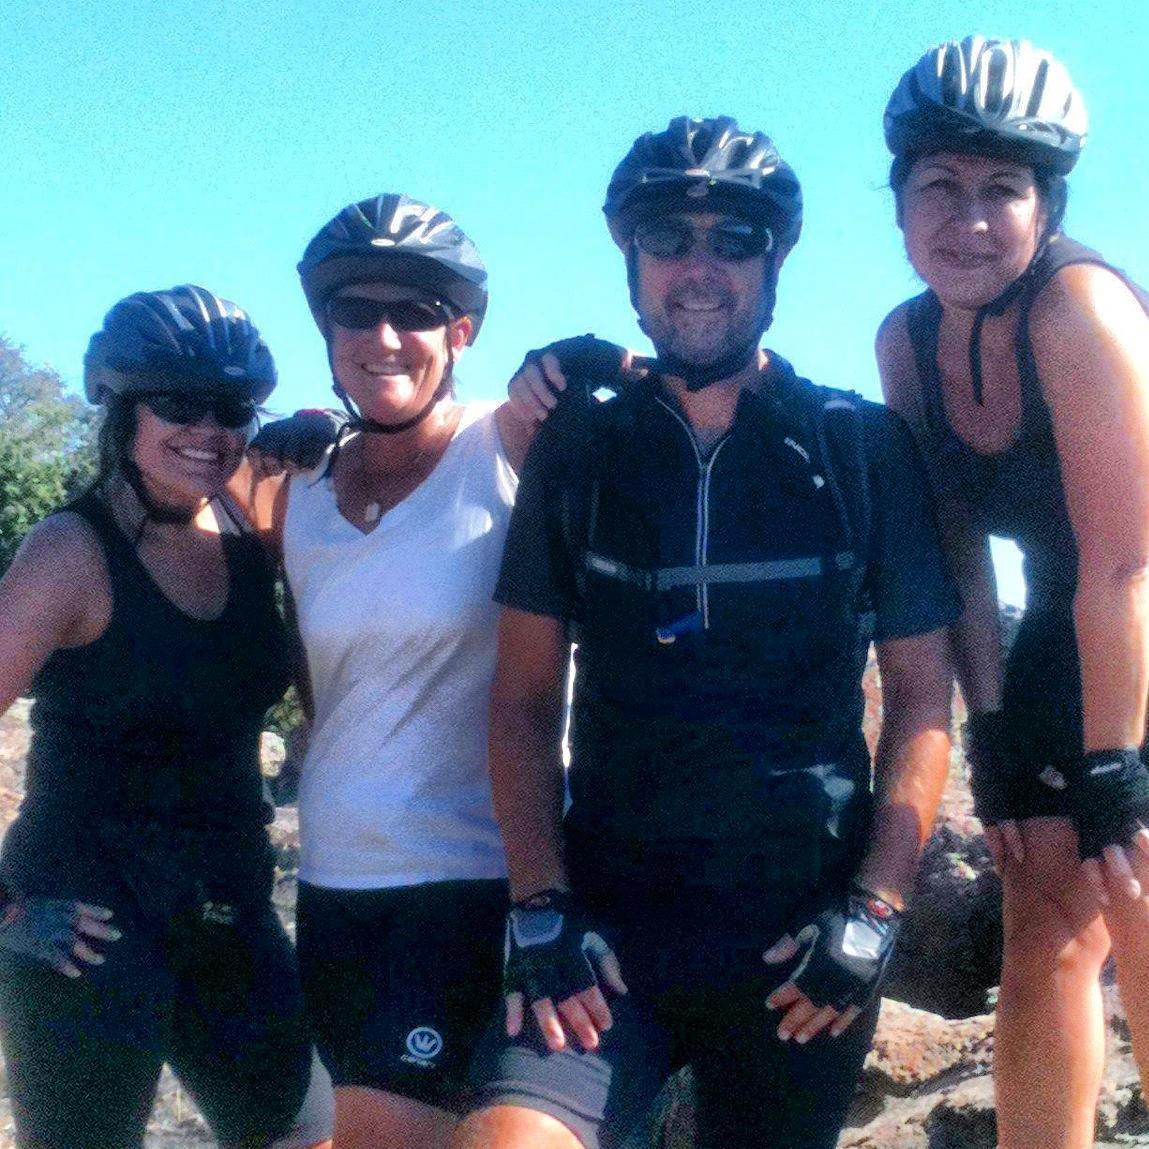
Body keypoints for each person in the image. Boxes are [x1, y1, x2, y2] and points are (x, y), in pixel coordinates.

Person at [454, 115, 959, 1149]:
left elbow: (919, 699)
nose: (699, 267)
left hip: (796, 944)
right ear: (628, 257)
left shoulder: (860, 446)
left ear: (778, 259)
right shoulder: (581, 447)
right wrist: (541, 908)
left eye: (735, 239)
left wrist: (874, 910)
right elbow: (518, 699)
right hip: (608, 932)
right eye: (667, 238)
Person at [877, 36, 1149, 1149]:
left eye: (1003, 190)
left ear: (1049, 206)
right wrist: (989, 736)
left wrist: (1115, 768)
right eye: (939, 186)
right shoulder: (906, 340)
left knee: (1137, 901)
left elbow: (1126, 565)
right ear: (898, 205)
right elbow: (957, 564)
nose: (969, 218)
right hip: (1058, 614)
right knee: (1042, 918)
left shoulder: (1078, 312)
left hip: (1135, 601)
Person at [240, 193, 554, 1149]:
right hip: (335, 886)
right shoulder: (286, 485)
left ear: (458, 332)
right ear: (325, 331)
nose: (383, 336)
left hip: (476, 877)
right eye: (354, 312)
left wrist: (579, 367)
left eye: (415, 312)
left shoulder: (504, 443)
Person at [0, 286, 328, 1149]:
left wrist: (311, 424)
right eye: (178, 404)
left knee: (300, 1133)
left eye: (229, 408)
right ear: (120, 407)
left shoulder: (244, 512)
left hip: (228, 898)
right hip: (86, 918)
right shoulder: (69, 552)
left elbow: (340, 447)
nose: (208, 429)